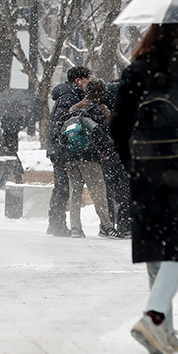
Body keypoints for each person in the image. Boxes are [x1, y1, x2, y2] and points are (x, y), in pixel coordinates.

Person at [110, 12, 178, 354]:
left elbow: (117, 126)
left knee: (155, 248)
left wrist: (135, 164)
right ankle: (155, 318)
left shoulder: (135, 72)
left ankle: (165, 334)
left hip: (145, 170)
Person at [62, 78, 117, 238]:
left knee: (75, 193)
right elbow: (105, 134)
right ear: (101, 93)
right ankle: (107, 226)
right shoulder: (101, 109)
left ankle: (76, 228)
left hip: (71, 156)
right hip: (90, 157)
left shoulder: (74, 108)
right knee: (99, 193)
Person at [46, 65, 90, 237]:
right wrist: (65, 143)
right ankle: (57, 224)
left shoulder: (68, 96)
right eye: (87, 80)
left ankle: (54, 223)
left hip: (59, 150)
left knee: (61, 187)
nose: (88, 83)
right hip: (61, 151)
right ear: (78, 81)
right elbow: (60, 125)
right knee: (62, 188)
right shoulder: (68, 98)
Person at [0, 88, 46, 183]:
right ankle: (16, 176)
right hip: (11, 136)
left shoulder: (3, 114)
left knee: (3, 155)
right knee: (11, 155)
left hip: (4, 136)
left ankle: (3, 178)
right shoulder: (15, 116)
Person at [101, 78, 133, 238]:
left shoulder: (103, 107)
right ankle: (124, 226)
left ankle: (107, 226)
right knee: (125, 190)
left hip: (107, 152)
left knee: (107, 189)